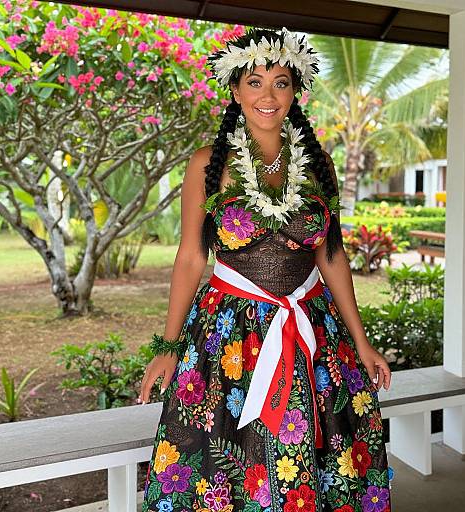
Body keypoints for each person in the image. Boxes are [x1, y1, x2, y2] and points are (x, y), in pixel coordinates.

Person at [139, 26, 393, 512]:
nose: (268, 95)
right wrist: (169, 347)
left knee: (325, 459)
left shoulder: (319, 165)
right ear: (235, 91)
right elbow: (192, 257)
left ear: (296, 90)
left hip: (312, 329)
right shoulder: (208, 164)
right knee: (227, 462)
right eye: (254, 82)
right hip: (231, 336)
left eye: (281, 82)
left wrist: (362, 343)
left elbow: (331, 255)